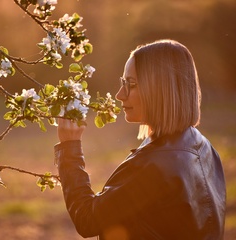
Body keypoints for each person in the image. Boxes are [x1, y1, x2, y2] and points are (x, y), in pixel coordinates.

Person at [54, 39, 226, 240]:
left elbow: (87, 219)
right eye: (122, 83)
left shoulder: (154, 167)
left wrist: (69, 147)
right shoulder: (203, 147)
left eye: (131, 85)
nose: (119, 95)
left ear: (160, 89)